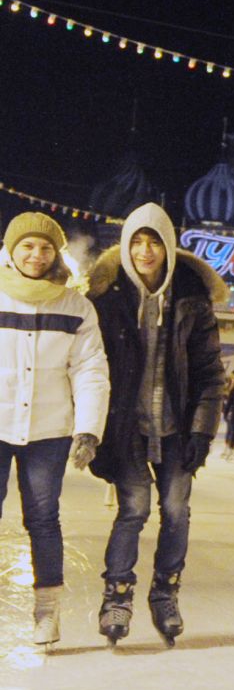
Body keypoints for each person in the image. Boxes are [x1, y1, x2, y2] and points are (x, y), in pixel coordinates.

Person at [86, 202, 225, 646]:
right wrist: (94, 428)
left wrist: (202, 431)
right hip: (125, 427)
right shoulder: (106, 300)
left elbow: (209, 373)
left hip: (176, 425)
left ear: (168, 247)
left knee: (176, 510)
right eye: (137, 241)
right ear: (126, 247)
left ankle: (166, 593)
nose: (146, 251)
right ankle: (117, 597)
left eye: (155, 242)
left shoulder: (191, 299)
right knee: (134, 510)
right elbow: (89, 367)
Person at [0, 213, 110, 646]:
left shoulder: (75, 306)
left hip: (49, 429)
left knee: (43, 519)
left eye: (45, 247)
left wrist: (88, 429)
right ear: (12, 249)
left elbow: (90, 370)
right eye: (27, 246)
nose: (36, 255)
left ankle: (47, 612)